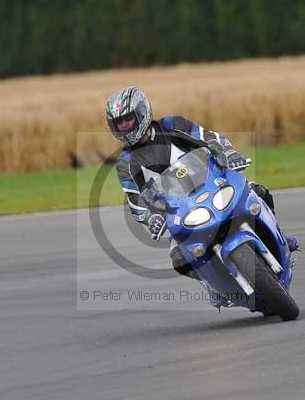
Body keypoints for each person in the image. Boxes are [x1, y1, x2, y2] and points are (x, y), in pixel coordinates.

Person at [105, 86, 294, 281]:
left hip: (214, 185)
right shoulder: (125, 162)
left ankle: (279, 239)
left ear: (141, 112)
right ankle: (212, 283)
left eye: (127, 119)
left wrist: (229, 153)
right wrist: (150, 217)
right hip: (177, 212)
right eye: (118, 123)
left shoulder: (172, 124)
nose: (124, 126)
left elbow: (209, 137)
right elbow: (135, 199)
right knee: (179, 259)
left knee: (257, 192)